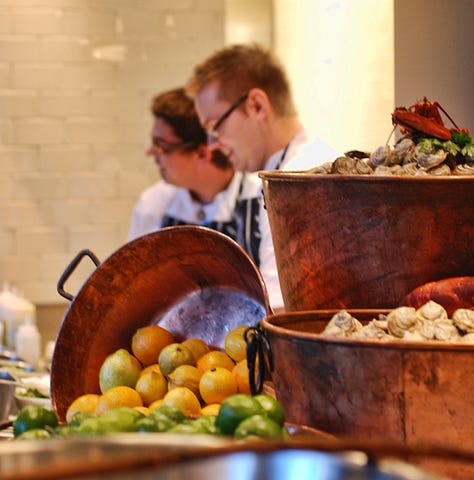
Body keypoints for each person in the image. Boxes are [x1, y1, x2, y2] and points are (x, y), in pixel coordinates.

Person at [186, 43, 340, 310]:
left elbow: (280, 309)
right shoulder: (275, 170)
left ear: (256, 106)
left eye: (215, 127)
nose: (213, 144)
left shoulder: (301, 178)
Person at [127, 87, 248, 243]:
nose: (151, 152)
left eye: (161, 145)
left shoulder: (259, 200)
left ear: (202, 154)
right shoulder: (152, 204)